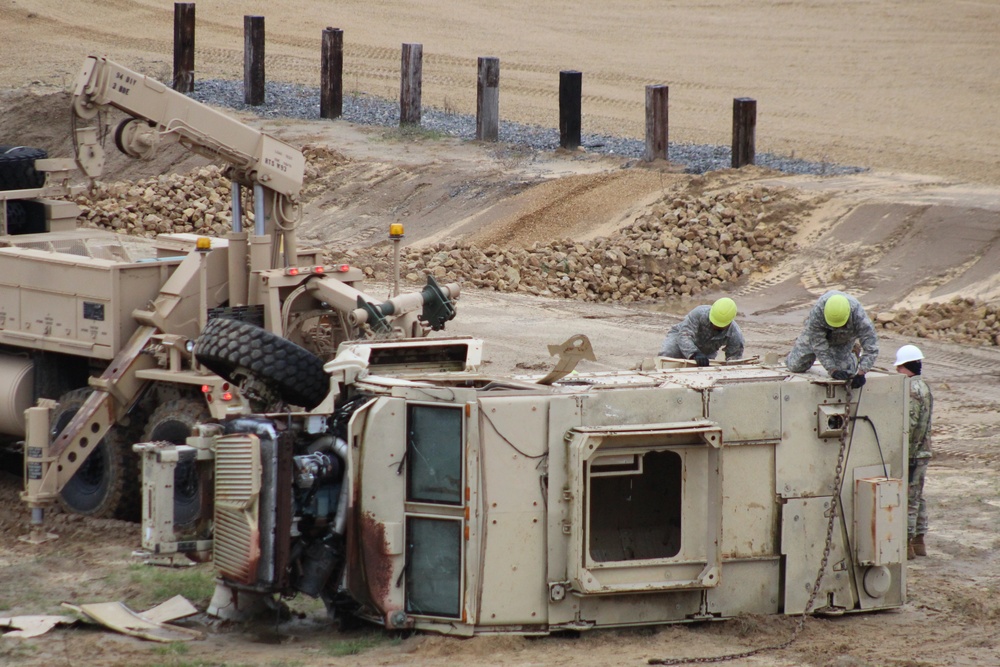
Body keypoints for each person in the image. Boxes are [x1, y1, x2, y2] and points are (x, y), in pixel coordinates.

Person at [785, 290, 878, 386]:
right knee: (795, 366)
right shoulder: (818, 311)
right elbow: (818, 343)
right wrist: (832, 370)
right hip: (818, 334)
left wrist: (862, 372)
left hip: (844, 337)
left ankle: (853, 354)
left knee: (845, 372)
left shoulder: (859, 316)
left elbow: (871, 347)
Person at [895, 344, 933, 559]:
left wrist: (905, 453)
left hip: (913, 453)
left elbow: (909, 425)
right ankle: (919, 540)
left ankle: (907, 544)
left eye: (898, 368)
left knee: (909, 499)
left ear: (904, 367)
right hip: (924, 451)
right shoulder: (925, 388)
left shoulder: (911, 390)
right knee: (918, 497)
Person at [658, 297, 744, 366]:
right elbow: (684, 335)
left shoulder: (735, 335)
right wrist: (694, 353)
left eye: (719, 326)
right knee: (668, 353)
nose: (715, 326)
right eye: (714, 322)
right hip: (679, 338)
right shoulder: (699, 313)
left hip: (706, 352)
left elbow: (734, 361)